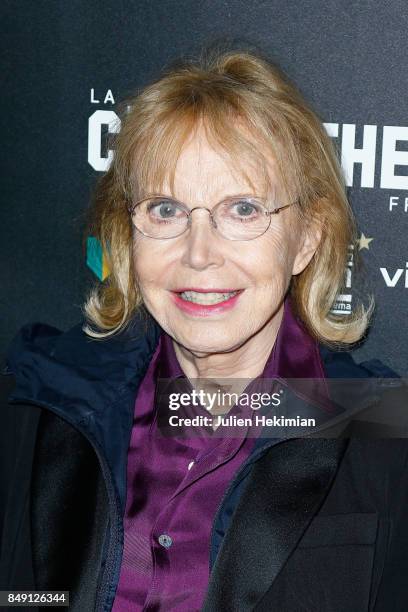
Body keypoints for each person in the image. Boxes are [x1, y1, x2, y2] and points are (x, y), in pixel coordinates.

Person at [1, 46, 408, 612]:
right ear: (129, 233)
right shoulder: (41, 402)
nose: (198, 255)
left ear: (308, 238)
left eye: (243, 210)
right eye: (166, 210)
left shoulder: (381, 440)